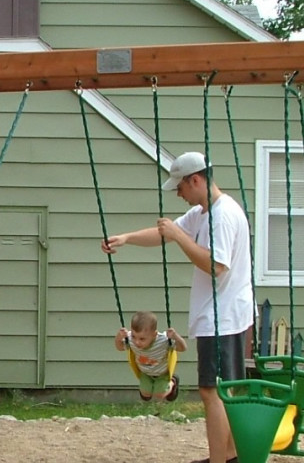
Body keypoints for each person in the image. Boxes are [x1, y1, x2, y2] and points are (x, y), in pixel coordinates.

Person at [101, 152, 252, 463]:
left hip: (223, 317)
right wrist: (126, 238)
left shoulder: (222, 215)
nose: (179, 195)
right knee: (224, 391)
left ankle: (219, 459)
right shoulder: (203, 212)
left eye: (180, 188)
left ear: (195, 180)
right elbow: (163, 234)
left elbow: (216, 265)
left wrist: (178, 236)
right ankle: (231, 455)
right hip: (224, 314)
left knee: (212, 392)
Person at [115, 310, 188, 401]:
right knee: (145, 395)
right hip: (145, 373)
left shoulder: (163, 341)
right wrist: (119, 337)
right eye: (134, 336)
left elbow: (183, 348)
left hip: (162, 373)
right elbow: (120, 347)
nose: (137, 342)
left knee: (160, 395)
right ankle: (150, 388)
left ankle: (173, 381)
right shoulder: (130, 339)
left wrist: (175, 336)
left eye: (142, 339)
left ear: (154, 335)